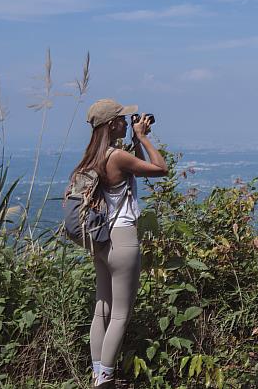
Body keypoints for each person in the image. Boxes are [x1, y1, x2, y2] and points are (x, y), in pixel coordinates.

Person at [70, 98, 168, 388]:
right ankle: (106, 379)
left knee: (102, 309)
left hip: (100, 240)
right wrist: (141, 137)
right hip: (123, 239)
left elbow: (132, 173)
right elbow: (160, 168)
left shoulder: (94, 156)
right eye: (123, 120)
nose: (127, 123)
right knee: (121, 314)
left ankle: (97, 371)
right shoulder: (117, 157)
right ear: (112, 124)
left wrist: (135, 139)